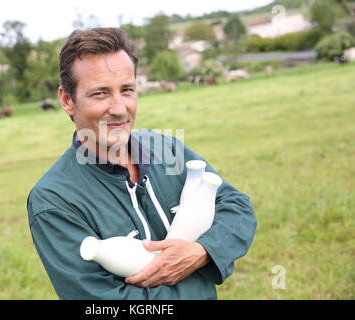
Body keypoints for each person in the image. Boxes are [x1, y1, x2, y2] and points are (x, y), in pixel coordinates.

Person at [27, 27, 257, 300]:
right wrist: (195, 286)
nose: (119, 108)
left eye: (127, 90)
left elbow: (237, 208)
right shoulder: (53, 200)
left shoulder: (167, 148)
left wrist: (201, 251)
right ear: (67, 100)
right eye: (100, 93)